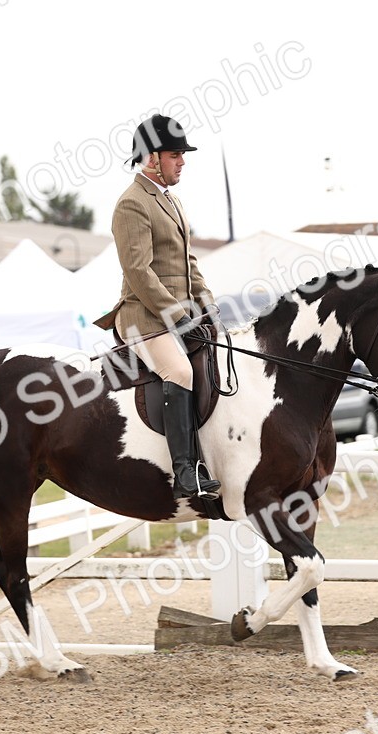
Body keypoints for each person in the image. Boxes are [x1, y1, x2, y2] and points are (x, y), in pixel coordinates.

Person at [94, 113, 220, 500]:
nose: (182, 162)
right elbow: (138, 271)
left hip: (176, 316)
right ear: (152, 157)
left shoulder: (172, 201)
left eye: (182, 155)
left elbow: (188, 262)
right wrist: (179, 316)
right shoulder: (132, 203)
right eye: (175, 155)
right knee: (180, 371)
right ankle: (185, 472)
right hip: (143, 318)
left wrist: (208, 307)